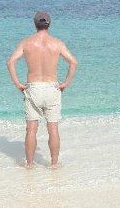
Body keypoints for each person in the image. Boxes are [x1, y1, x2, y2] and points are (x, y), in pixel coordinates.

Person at [6, 11, 77, 169]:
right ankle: (53, 164)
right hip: (52, 88)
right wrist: (65, 83)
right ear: (49, 24)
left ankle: (30, 165)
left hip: (33, 88)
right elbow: (73, 62)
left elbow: (10, 62)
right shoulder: (57, 43)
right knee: (53, 128)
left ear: (35, 24)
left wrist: (18, 83)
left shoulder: (27, 43)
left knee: (31, 129)